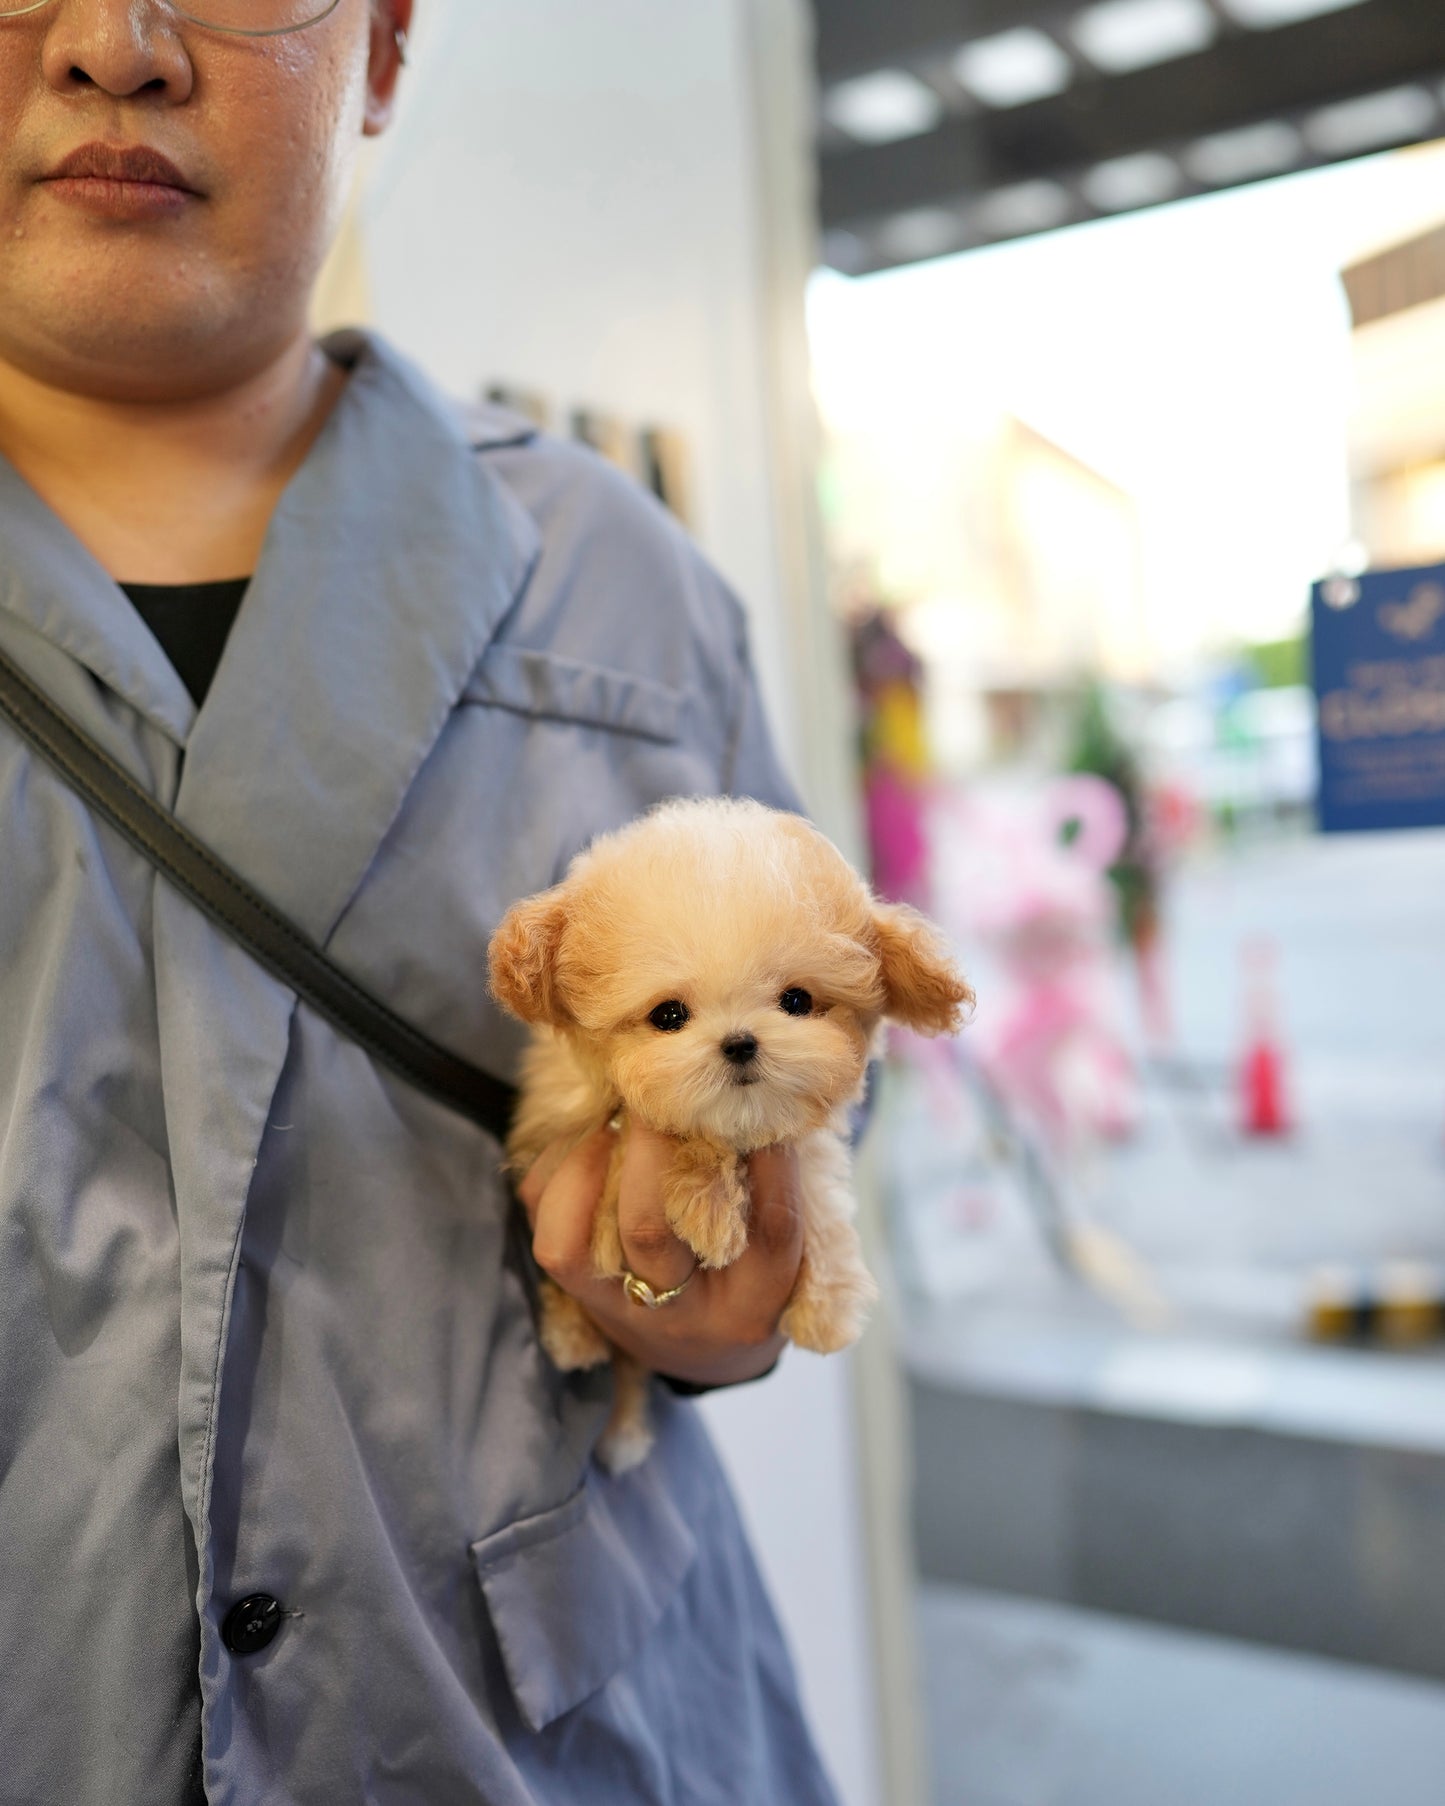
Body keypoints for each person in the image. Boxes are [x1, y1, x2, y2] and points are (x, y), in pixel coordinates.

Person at [0, 3, 841, 1801]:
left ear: (381, 52)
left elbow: (821, 1119)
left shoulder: (618, 590)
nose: (114, 44)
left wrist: (720, 1303)